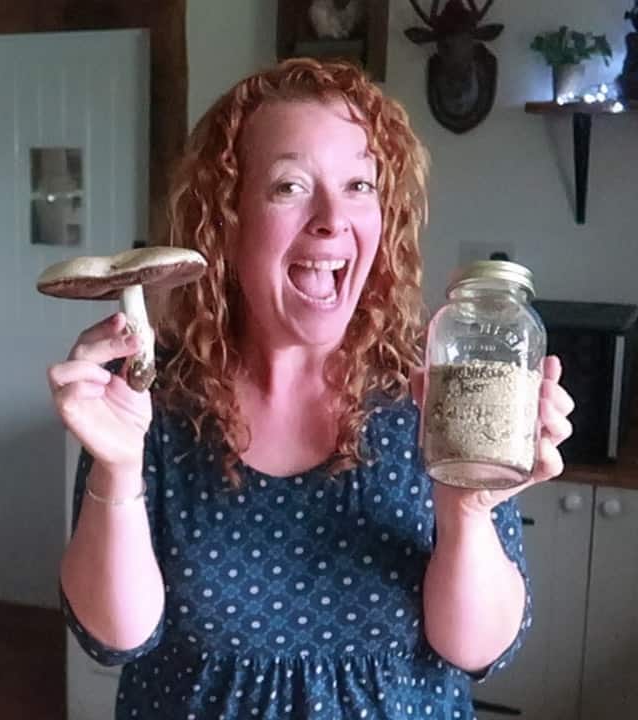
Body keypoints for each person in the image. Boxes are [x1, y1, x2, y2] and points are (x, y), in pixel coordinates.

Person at [49, 58, 574, 720]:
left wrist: (464, 508)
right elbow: (113, 639)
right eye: (289, 186)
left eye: (360, 184)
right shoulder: (152, 399)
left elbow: (475, 651)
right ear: (227, 218)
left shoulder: (439, 390)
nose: (332, 219)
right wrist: (118, 468)